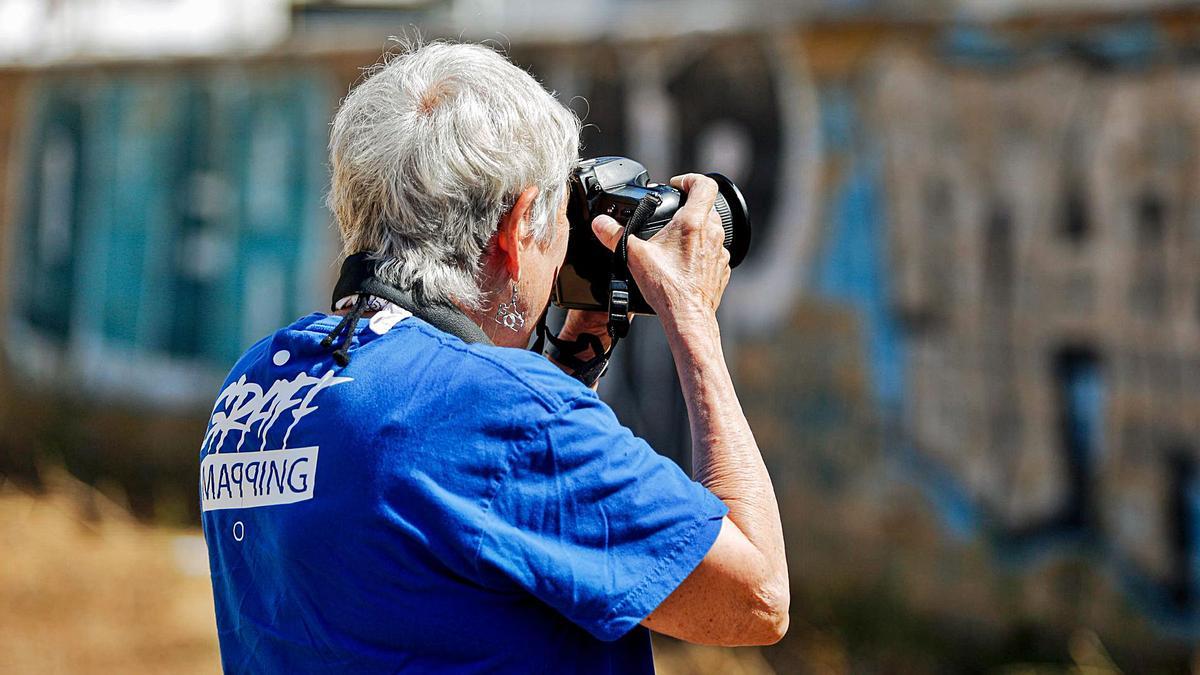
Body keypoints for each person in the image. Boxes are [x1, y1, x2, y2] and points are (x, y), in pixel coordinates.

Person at [199, 41, 787, 674]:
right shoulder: (498, 417)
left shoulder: (259, 383)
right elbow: (755, 599)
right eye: (559, 221)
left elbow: (476, 528)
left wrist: (571, 359)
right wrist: (692, 317)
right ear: (516, 226)